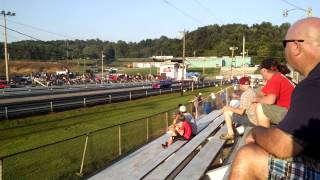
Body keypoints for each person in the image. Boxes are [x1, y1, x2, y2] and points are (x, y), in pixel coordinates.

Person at [229, 17, 320, 180]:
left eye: (284, 44)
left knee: (247, 157)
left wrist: (256, 132)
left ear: (296, 46)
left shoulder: (313, 84)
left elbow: (283, 146)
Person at [254, 58, 295, 127]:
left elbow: (270, 100)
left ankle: (264, 136)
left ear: (264, 70)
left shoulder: (275, 79)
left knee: (260, 107)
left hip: (289, 113)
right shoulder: (278, 76)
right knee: (259, 105)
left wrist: (256, 100)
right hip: (292, 111)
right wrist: (257, 99)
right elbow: (261, 93)